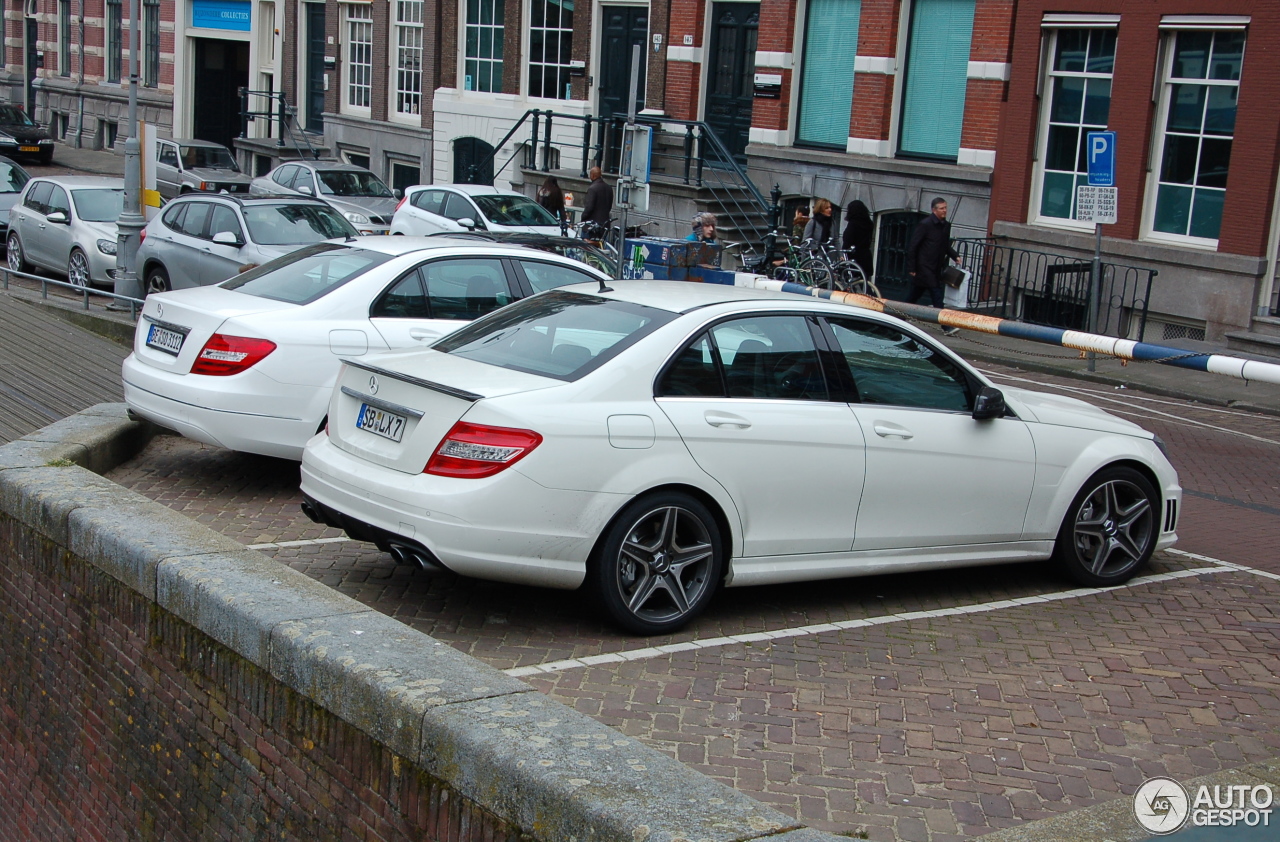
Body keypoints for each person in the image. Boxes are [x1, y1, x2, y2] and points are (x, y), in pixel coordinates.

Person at [906, 196, 961, 335]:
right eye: (941, 208)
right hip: (924, 266)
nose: (944, 211)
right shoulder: (925, 224)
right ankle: (946, 326)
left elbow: (945, 245)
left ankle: (898, 315)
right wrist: (912, 268)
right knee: (937, 295)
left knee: (914, 295)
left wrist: (955, 256)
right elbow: (913, 246)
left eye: (945, 208)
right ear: (934, 210)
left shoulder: (945, 226)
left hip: (936, 266)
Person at [841, 199, 874, 278]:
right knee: (864, 282)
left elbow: (848, 240)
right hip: (866, 256)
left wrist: (844, 254)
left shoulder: (853, 224)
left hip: (854, 257)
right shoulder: (869, 223)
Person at [582, 166, 613, 230]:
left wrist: (583, 217)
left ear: (592, 175)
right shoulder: (609, 188)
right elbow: (609, 206)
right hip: (605, 224)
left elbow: (589, 208)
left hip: (592, 226)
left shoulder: (592, 189)